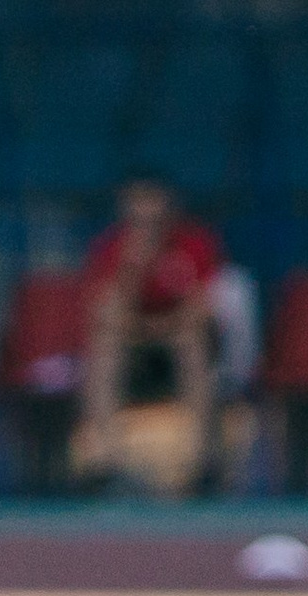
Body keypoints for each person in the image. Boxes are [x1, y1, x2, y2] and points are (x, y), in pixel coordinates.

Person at [72, 173, 225, 492]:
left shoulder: (193, 243)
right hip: (134, 350)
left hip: (175, 347)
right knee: (104, 351)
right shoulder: (112, 247)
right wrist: (132, 268)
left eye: (152, 200)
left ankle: (202, 464)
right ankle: (106, 463)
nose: (146, 211)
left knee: (192, 346)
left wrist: (162, 327)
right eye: (138, 201)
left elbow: (203, 310)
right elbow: (105, 315)